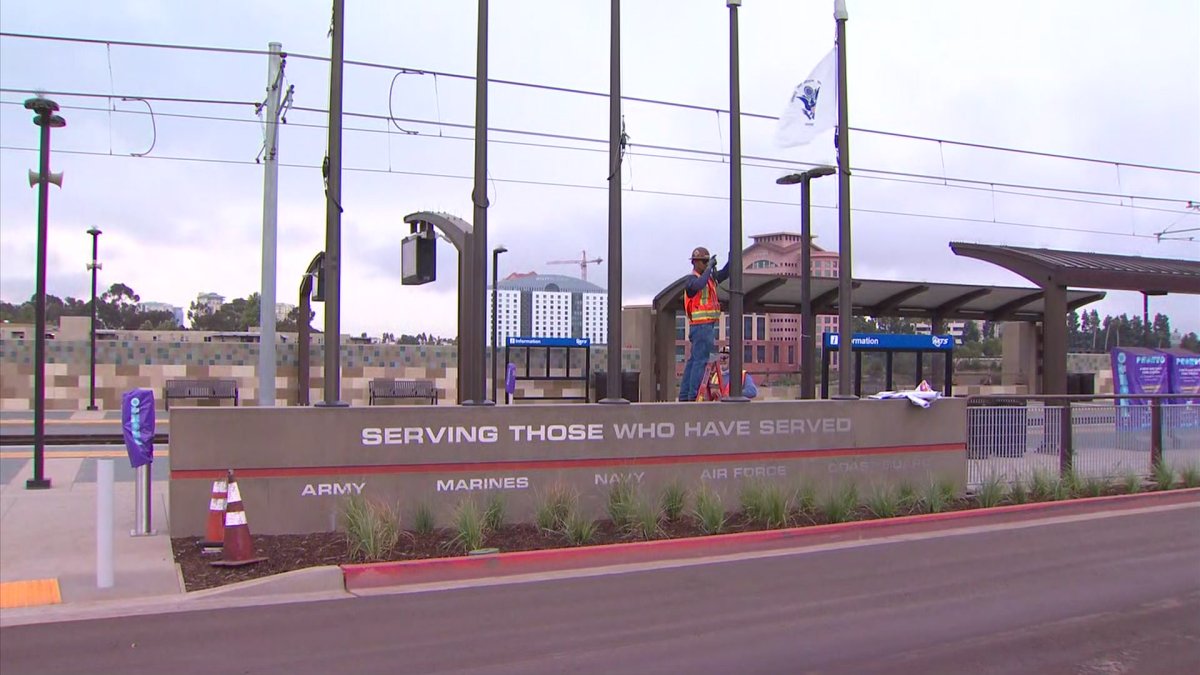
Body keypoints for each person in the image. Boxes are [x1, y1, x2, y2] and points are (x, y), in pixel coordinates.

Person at [679, 246, 730, 402]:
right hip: (701, 327)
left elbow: (724, 274)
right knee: (700, 361)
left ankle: (685, 395)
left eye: (708, 262)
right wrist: (709, 268)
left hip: (706, 326)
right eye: (704, 262)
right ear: (695, 262)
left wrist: (731, 259)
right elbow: (697, 286)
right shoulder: (692, 280)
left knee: (694, 360)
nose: (706, 264)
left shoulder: (708, 279)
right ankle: (692, 396)